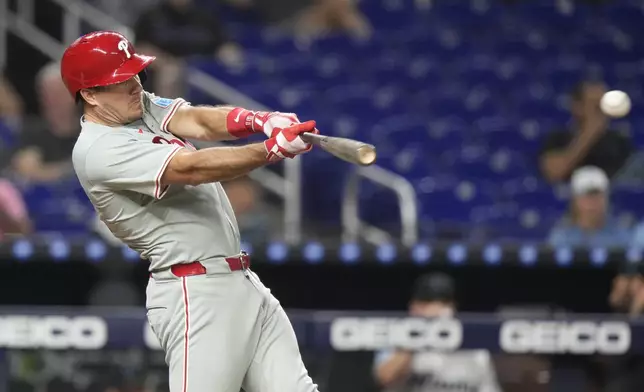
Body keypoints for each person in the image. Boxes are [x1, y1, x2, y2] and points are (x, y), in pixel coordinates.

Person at [62, 31, 319, 392]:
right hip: (194, 289)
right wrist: (270, 150)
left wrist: (259, 120)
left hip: (240, 279)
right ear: (90, 94)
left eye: (136, 74)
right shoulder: (97, 149)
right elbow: (192, 168)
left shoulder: (136, 107)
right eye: (121, 80)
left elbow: (197, 120)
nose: (135, 85)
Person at [373, 273, 501, 392]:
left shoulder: (473, 348)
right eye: (424, 304)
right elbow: (384, 378)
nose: (435, 312)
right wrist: (416, 337)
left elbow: (488, 387)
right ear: (413, 307)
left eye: (443, 304)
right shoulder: (399, 338)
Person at [134, 0, 244, 97]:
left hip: (203, 67)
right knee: (170, 75)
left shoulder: (206, 15)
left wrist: (228, 52)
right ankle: (167, 116)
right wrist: (165, 63)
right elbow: (140, 48)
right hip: (168, 66)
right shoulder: (151, 16)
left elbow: (223, 43)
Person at [539, 81, 632, 183]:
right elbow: (554, 172)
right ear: (577, 107)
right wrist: (589, 134)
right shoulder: (558, 138)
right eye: (595, 105)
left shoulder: (618, 141)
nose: (600, 111)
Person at [11, 62, 78, 183]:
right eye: (48, 94)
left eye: (60, 93)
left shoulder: (92, 128)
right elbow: (27, 170)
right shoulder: (31, 132)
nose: (54, 100)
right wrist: (70, 170)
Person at [547, 166, 631, 248]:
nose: (592, 203)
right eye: (587, 196)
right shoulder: (561, 237)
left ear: (606, 199)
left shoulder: (621, 236)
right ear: (575, 200)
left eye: (597, 196)